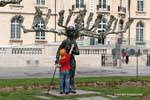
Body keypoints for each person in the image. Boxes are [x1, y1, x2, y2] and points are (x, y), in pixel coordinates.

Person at [55, 26, 80, 93]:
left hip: (71, 60)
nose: (71, 33)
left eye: (72, 31)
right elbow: (58, 50)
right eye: (70, 31)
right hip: (65, 60)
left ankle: (71, 87)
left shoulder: (74, 42)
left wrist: (71, 50)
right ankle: (63, 88)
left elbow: (78, 52)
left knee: (72, 75)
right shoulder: (65, 42)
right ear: (67, 32)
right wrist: (57, 59)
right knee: (63, 76)